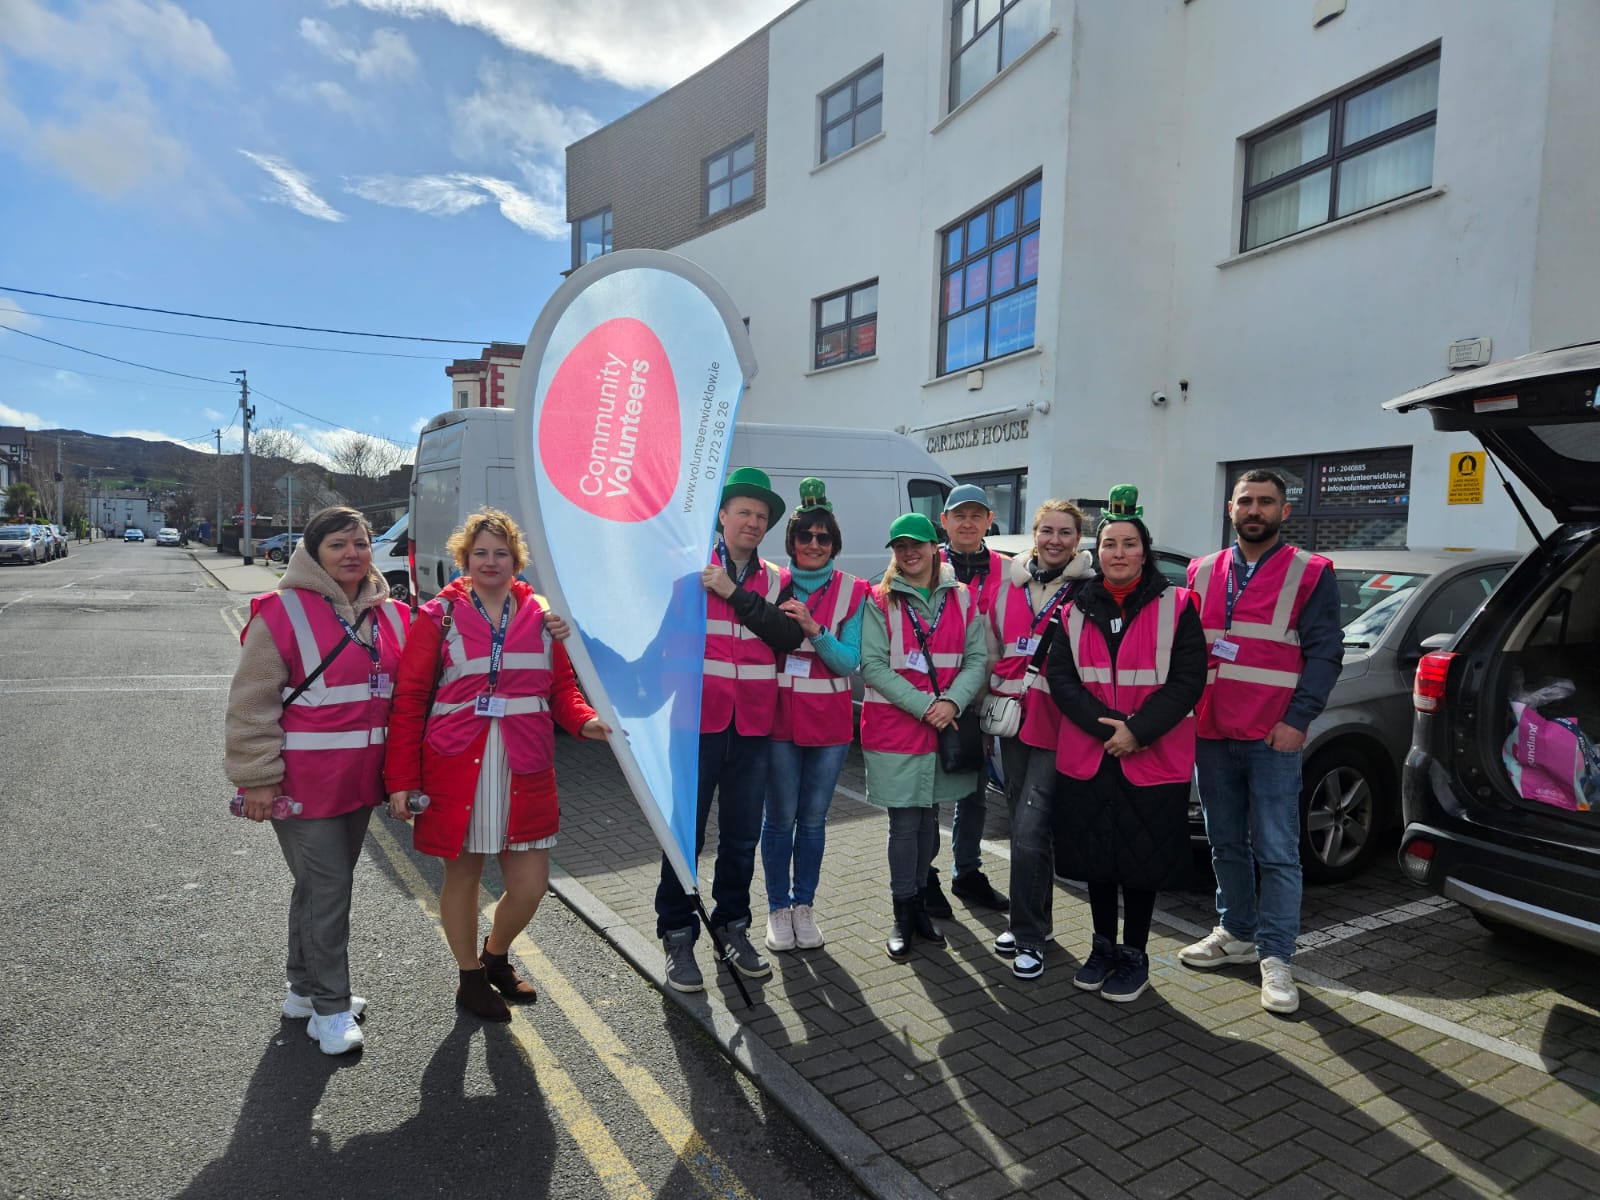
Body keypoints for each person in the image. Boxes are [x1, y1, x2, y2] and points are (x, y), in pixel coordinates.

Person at [383, 508, 608, 1022]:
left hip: (524, 765)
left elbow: (561, 691)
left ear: (515, 560)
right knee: (462, 877)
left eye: (501, 553)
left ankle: (495, 956)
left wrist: (588, 723)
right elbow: (410, 700)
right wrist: (401, 781)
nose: (490, 561)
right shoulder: (436, 616)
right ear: (464, 558)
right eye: (480, 552)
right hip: (456, 765)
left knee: (529, 886)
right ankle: (469, 977)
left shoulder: (543, 616)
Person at [225, 506, 410, 1055]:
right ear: (313, 553)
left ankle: (302, 991)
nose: (352, 553)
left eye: (361, 542)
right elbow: (250, 702)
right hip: (300, 787)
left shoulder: (395, 616)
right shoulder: (279, 612)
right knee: (330, 890)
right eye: (338, 544)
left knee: (315, 887)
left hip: (358, 785)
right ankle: (329, 1010)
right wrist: (257, 778)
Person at [1179, 469, 1341, 1014]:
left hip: (1273, 734)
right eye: (1245, 501)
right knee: (1225, 843)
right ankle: (1236, 932)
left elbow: (1324, 654)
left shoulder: (1311, 572)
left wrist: (1299, 719)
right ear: (1230, 508)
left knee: (1276, 852)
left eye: (1265, 502)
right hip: (1210, 728)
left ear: (1284, 512)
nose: (1255, 510)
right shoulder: (1201, 570)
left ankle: (1275, 956)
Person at [1047, 501, 1207, 998]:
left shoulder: (1178, 605)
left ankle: (1134, 956)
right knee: (1099, 857)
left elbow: (1188, 679)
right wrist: (1108, 731)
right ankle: (1102, 947)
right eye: (1110, 543)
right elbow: (1061, 677)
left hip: (1151, 755)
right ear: (1098, 552)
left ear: (1144, 552)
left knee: (1140, 861)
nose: (1119, 552)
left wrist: (1137, 731)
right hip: (1093, 753)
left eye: (1129, 543)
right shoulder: (1075, 608)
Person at [658, 467, 804, 992]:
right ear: (722, 516)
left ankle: (733, 927)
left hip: (753, 723)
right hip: (696, 722)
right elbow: (659, 636)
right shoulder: (688, 568)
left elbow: (786, 635)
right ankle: (678, 934)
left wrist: (733, 593)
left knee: (742, 836)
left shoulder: (775, 577)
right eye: (744, 511)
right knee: (686, 835)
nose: (753, 521)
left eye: (761, 516)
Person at [860, 513, 988, 961]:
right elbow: (872, 666)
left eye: (917, 544)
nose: (909, 552)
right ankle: (902, 910)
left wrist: (951, 703)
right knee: (904, 823)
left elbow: (977, 659)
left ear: (936, 547)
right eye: (900, 546)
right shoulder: (879, 599)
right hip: (896, 728)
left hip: (944, 726)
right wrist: (925, 707)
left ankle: (918, 903)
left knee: (930, 818)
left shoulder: (964, 598)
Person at [760, 479, 871, 953]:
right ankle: (777, 909)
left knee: (813, 820)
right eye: (804, 535)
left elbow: (850, 662)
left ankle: (804, 905)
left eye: (823, 537)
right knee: (779, 818)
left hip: (828, 721)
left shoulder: (854, 590)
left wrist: (814, 628)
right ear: (791, 541)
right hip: (779, 718)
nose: (813, 544)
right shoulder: (767, 583)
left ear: (834, 544)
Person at [985, 500, 1094, 978]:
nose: (1055, 540)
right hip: (1011, 722)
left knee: (1028, 831)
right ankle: (1040, 922)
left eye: (1065, 532)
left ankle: (1028, 935)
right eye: (1046, 530)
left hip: (1057, 726)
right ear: (1034, 533)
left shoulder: (1088, 591)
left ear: (1078, 539)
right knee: (1029, 828)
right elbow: (990, 651)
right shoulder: (1009, 587)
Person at [925, 483, 1011, 915]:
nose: (967, 523)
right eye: (959, 515)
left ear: (989, 521)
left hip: (983, 697)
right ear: (944, 521)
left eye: (976, 515)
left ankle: (968, 872)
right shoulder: (924, 560)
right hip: (931, 697)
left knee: (973, 793)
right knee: (925, 791)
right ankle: (923, 875)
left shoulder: (1009, 570)